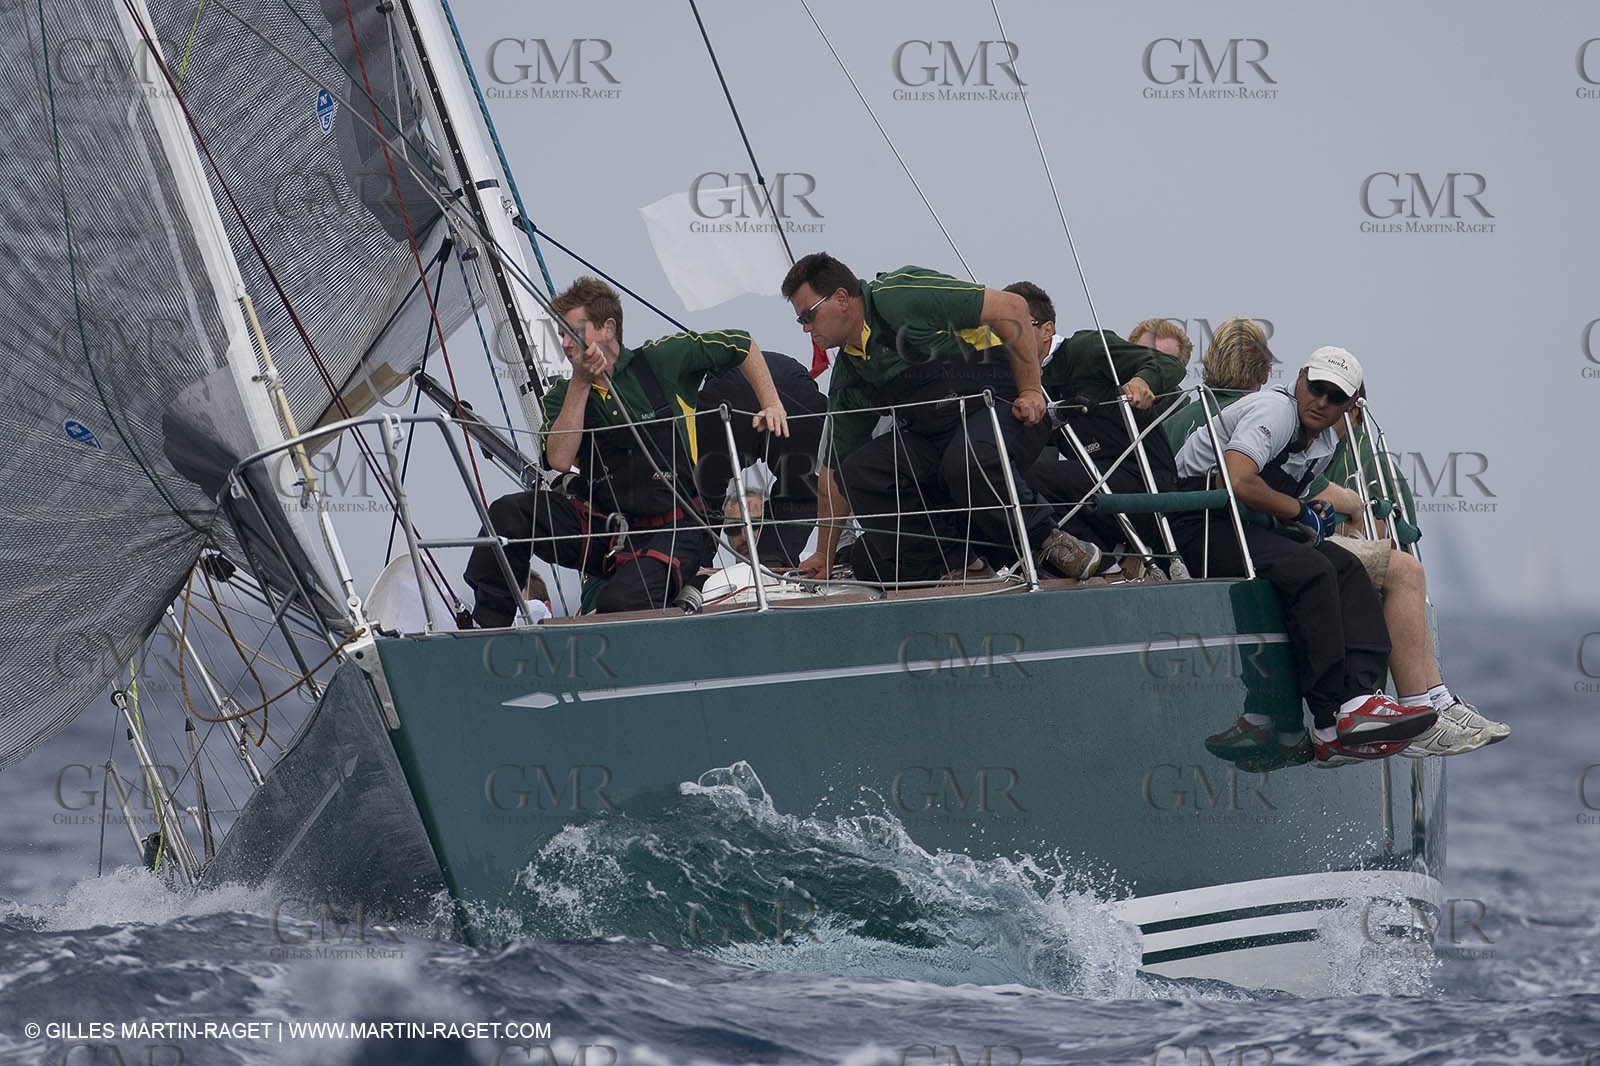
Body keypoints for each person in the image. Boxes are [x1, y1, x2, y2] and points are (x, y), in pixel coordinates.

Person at [463, 276, 788, 625]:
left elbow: (741, 343)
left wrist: (771, 403)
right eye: (560, 335)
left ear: (608, 328)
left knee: (618, 606)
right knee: (508, 513)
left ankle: (687, 588)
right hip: (607, 528)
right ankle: (488, 625)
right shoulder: (563, 394)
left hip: (676, 529)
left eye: (574, 332)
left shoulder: (662, 359)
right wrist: (581, 383)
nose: (565, 344)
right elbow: (558, 459)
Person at [1171, 347, 1437, 767]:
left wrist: (1311, 513)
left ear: (1349, 406)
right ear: (1298, 380)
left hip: (1245, 522)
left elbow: (1283, 492)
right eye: (1316, 389)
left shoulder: (1328, 439)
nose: (1322, 402)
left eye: (1336, 398)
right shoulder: (1275, 412)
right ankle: (1329, 723)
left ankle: (1360, 699)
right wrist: (1299, 513)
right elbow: (1235, 478)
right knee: (1312, 571)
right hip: (1197, 522)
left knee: (1347, 566)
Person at [781, 253, 1098, 584]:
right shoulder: (850, 374)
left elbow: (1013, 307)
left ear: (842, 299)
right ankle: (961, 568)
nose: (805, 328)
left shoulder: (899, 296)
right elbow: (832, 471)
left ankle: (1051, 542)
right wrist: (823, 554)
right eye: (799, 320)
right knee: (857, 472)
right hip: (937, 439)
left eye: (808, 315)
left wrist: (1032, 390)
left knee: (966, 459)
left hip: (1002, 409)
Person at [1006, 283, 1188, 567]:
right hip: (1092, 482)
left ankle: (1103, 564)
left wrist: (1142, 381)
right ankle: (1099, 559)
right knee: (1004, 479)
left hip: (1144, 478)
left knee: (1029, 477)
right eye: (1001, 330)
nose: (1009, 337)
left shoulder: (1085, 349)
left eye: (1019, 326)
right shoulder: (1018, 381)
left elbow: (1169, 365)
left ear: (1046, 329)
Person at [695, 350, 826, 568]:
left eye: (754, 524)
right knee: (804, 490)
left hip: (726, 392)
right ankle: (772, 560)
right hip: (795, 389)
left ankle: (693, 570)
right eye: (734, 528)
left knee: (701, 494)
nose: (744, 534)